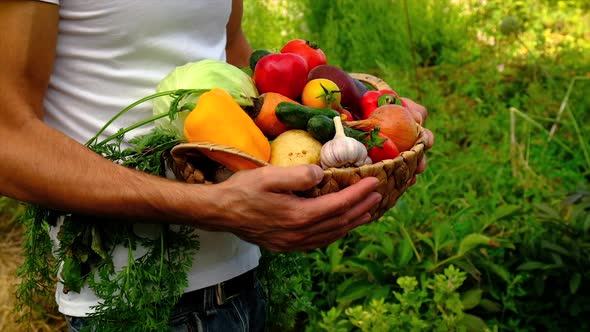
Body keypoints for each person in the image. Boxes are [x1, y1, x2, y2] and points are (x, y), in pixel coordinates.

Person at [0, 0, 433, 331]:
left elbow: (229, 56)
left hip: (248, 272)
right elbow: (8, 138)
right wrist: (210, 205)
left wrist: (368, 116)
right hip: (137, 300)